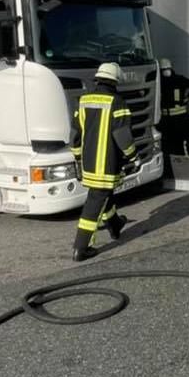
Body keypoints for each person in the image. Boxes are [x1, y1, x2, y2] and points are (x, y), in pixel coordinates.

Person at [69, 62, 135, 261]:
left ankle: (114, 224)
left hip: (89, 163)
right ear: (115, 81)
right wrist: (133, 156)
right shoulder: (117, 102)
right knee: (96, 200)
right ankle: (81, 247)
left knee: (104, 194)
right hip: (107, 164)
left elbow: (75, 134)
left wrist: (78, 157)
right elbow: (122, 136)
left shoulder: (83, 100)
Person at [157, 58, 189, 157]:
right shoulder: (176, 80)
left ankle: (178, 166)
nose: (166, 71)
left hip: (175, 119)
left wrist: (188, 98)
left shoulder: (166, 81)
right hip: (170, 119)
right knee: (170, 146)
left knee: (175, 145)